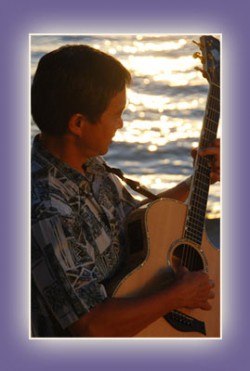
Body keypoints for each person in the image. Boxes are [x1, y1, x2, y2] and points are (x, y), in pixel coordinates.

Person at [31, 44, 220, 337]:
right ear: (78, 123)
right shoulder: (46, 208)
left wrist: (197, 181)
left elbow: (137, 223)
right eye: (117, 114)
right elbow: (92, 325)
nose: (121, 124)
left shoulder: (88, 162)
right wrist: (176, 296)